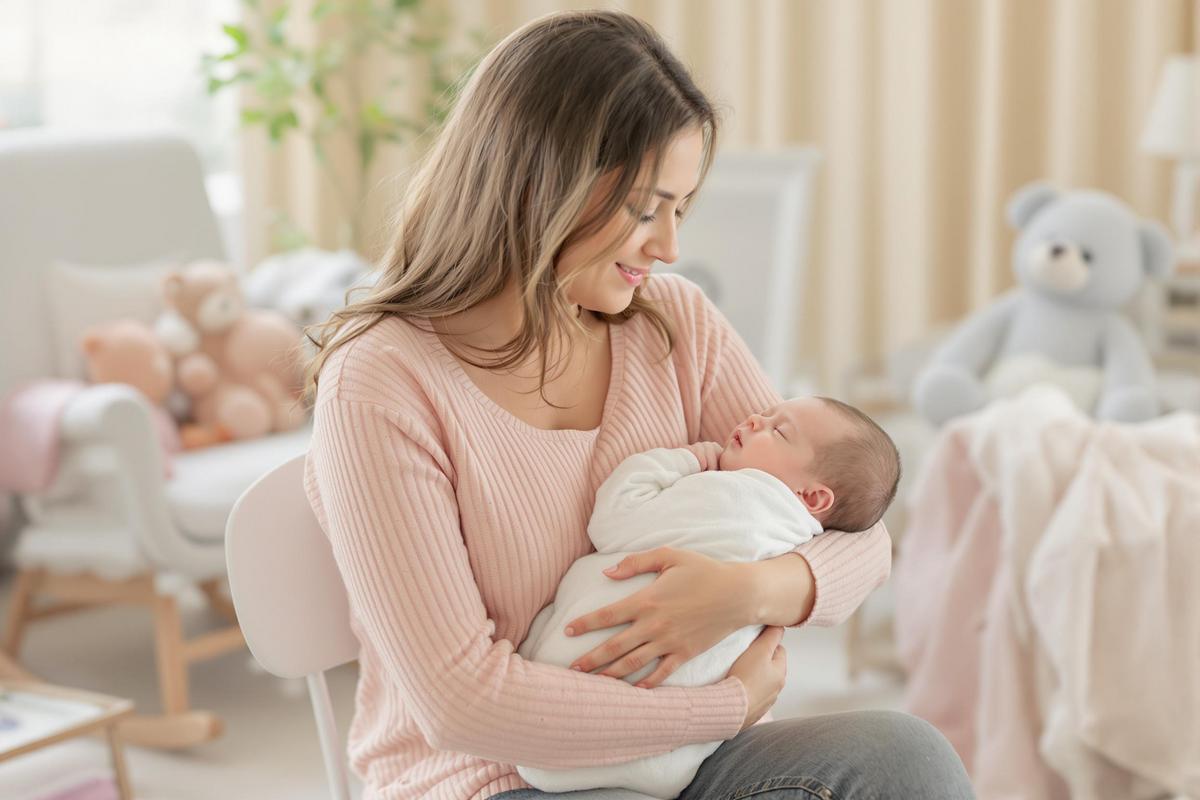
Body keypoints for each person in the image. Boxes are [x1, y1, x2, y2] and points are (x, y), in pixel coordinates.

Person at [302, 9, 974, 800]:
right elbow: (461, 703)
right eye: (645, 208)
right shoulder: (383, 378)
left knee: (906, 760)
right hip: (492, 780)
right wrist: (724, 706)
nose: (668, 247)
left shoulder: (674, 323)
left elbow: (860, 536)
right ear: (541, 179)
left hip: (673, 767)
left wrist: (749, 594)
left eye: (680, 210)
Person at [514, 396, 902, 797]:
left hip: (568, 728)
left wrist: (692, 458)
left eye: (778, 429)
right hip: (676, 760)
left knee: (906, 751)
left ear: (814, 498)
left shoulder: (730, 497)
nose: (754, 419)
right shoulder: (797, 532)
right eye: (766, 416)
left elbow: (613, 520)